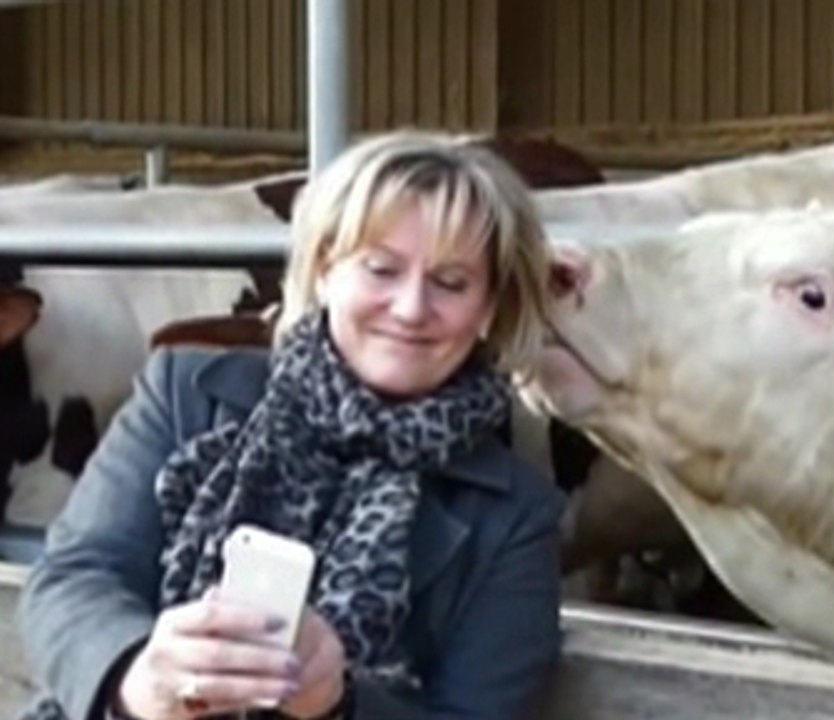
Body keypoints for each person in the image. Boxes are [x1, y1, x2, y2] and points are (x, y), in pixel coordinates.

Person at [17, 130, 566, 720]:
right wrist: (136, 676)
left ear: (489, 307)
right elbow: (75, 576)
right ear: (325, 269)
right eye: (381, 269)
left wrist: (337, 702)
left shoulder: (517, 516)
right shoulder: (184, 393)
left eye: (451, 283)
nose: (411, 309)